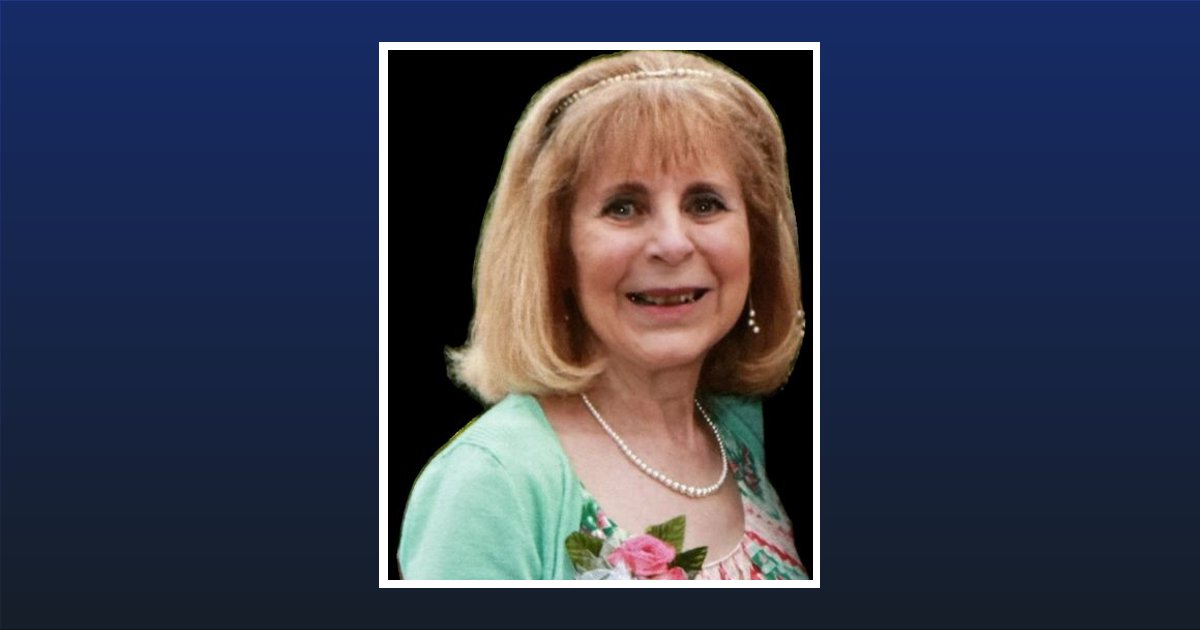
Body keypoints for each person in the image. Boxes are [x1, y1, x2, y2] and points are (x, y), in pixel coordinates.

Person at [398, 50, 809, 580]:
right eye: (624, 207)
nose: (672, 244)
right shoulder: (490, 482)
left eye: (705, 203)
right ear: (555, 252)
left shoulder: (738, 428)